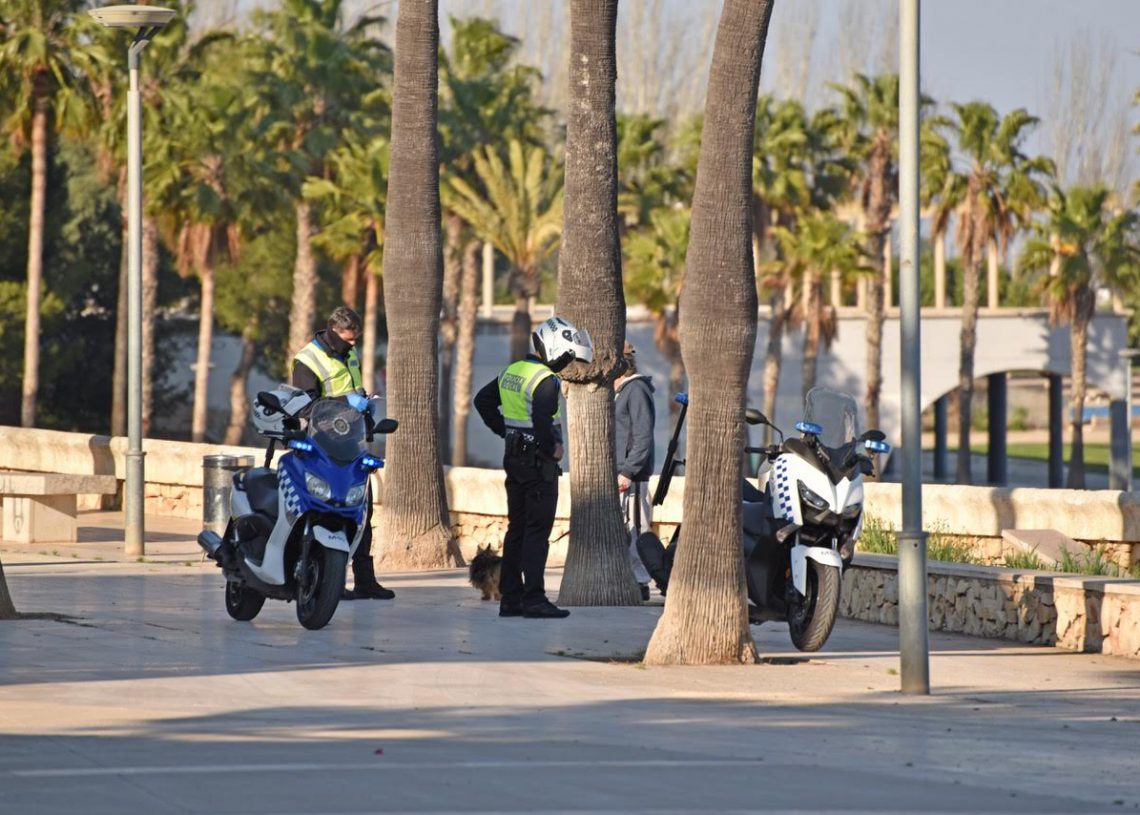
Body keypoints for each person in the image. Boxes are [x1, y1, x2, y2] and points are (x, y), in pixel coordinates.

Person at [474, 316, 594, 619]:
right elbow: (542, 421)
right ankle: (535, 599)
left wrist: (504, 431)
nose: (567, 364)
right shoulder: (545, 381)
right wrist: (553, 449)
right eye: (567, 357)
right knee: (537, 532)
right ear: (555, 350)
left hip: (513, 460)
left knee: (516, 529)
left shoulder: (512, 371)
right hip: (538, 465)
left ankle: (510, 599)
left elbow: (482, 401)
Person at [292, 306, 395, 601]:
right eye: (349, 339)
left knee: (361, 509)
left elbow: (352, 388)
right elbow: (304, 407)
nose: (353, 344)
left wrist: (363, 403)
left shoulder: (349, 353)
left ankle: (365, 580)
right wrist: (345, 402)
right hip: (322, 444)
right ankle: (329, 580)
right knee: (328, 509)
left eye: (355, 339)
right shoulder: (307, 360)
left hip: (351, 442)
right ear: (333, 331)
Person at [614, 340, 657, 601]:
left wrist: (628, 471)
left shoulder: (636, 389)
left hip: (632, 475)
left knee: (636, 529)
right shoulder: (620, 391)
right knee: (625, 529)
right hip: (621, 472)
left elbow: (642, 436)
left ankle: (641, 582)